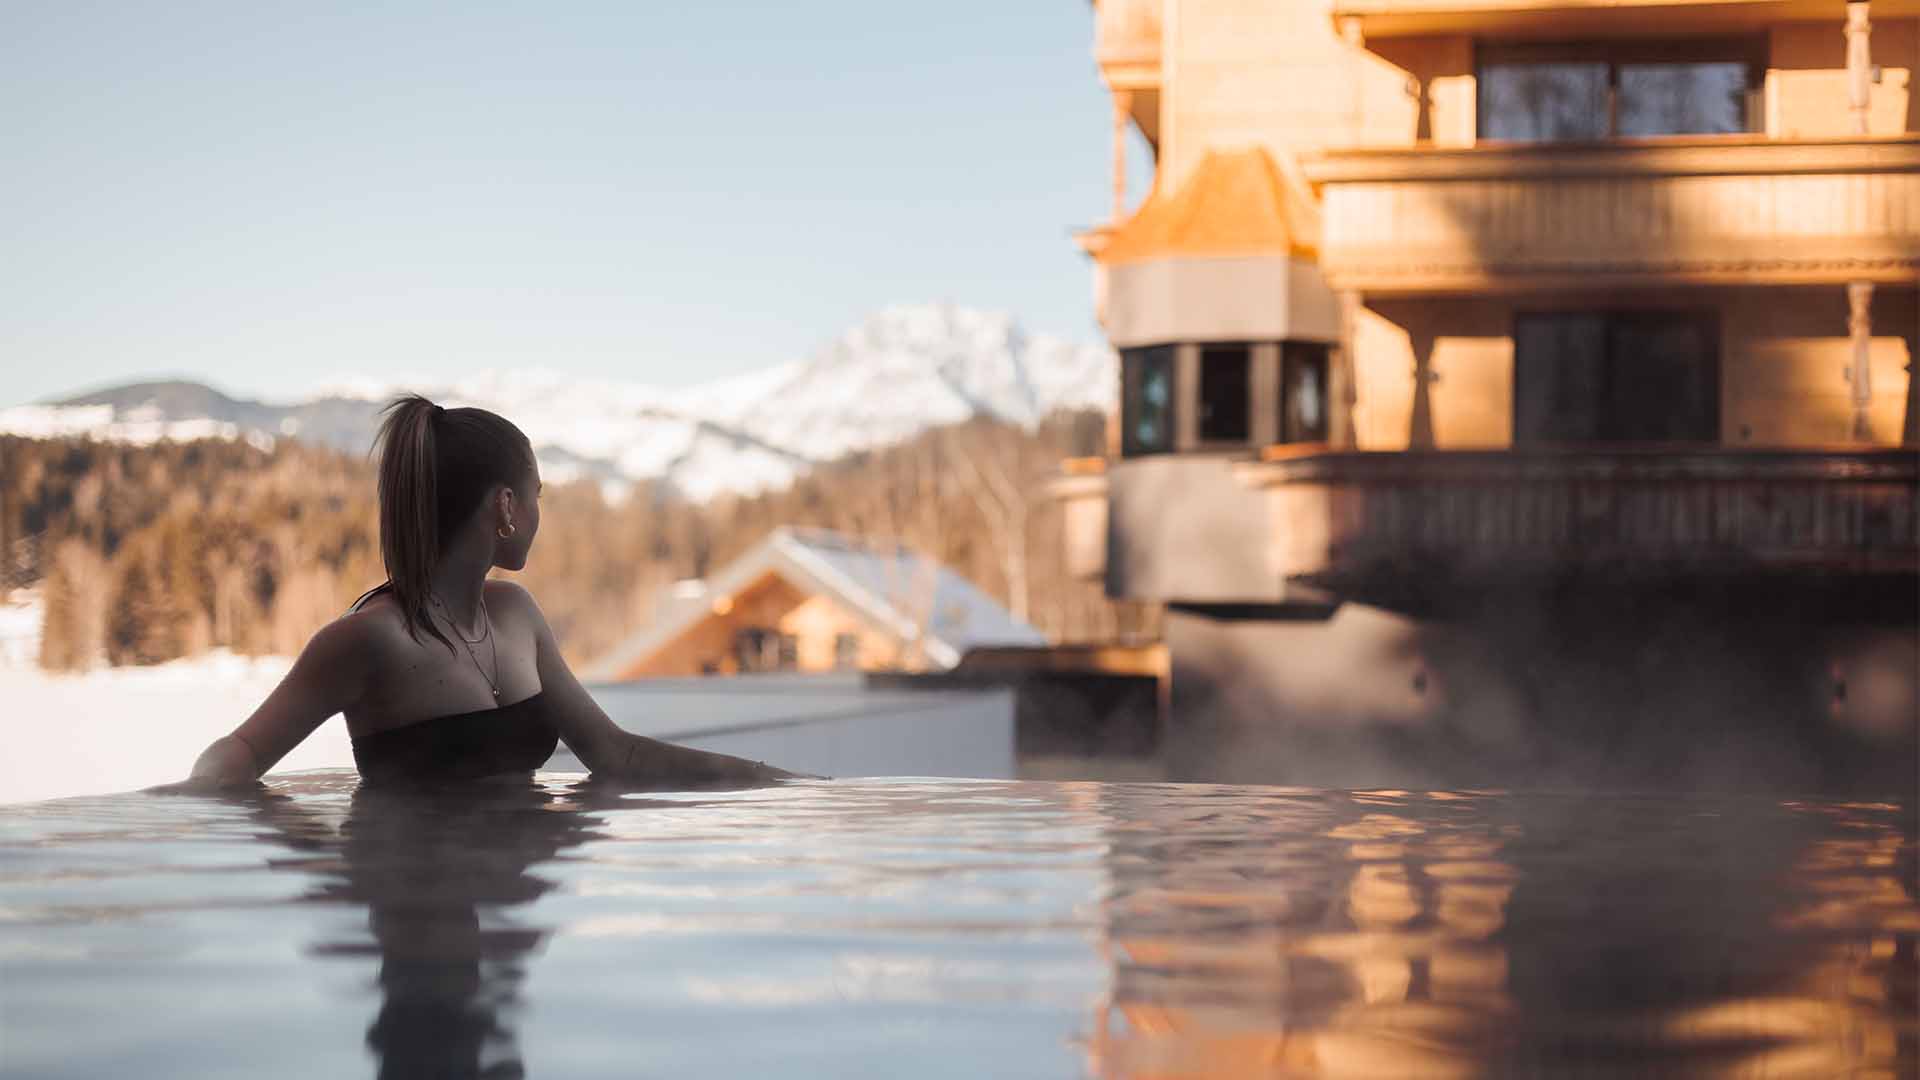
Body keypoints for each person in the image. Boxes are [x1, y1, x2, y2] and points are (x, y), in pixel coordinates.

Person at [173, 395, 796, 790]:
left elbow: (615, 756)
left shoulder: (516, 616)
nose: (538, 515)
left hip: (511, 920)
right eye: (537, 498)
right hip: (421, 924)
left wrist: (774, 783)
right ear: (506, 507)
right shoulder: (369, 640)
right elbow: (241, 752)